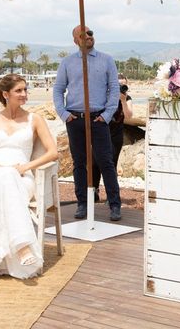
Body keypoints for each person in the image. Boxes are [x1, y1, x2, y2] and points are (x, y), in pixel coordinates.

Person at [0, 74, 58, 285]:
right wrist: (0, 169)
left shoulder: (35, 119)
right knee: (4, 178)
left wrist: (25, 167)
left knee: (5, 184)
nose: (24, 94)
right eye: (19, 91)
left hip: (22, 176)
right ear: (5, 94)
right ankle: (22, 246)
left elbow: (52, 152)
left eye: (25, 90)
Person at [53, 25, 122, 221]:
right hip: (75, 119)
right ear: (76, 40)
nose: (88, 36)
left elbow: (114, 89)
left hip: (98, 119)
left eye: (91, 33)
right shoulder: (67, 63)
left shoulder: (107, 60)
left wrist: (107, 114)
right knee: (79, 163)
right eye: (83, 35)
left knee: (105, 161)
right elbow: (58, 89)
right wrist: (64, 114)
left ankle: (115, 204)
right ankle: (82, 203)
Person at [92, 73, 133, 202]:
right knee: (95, 162)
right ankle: (94, 190)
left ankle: (112, 194)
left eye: (123, 85)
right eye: (118, 84)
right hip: (101, 132)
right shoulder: (105, 97)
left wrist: (123, 101)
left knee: (111, 163)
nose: (121, 87)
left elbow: (129, 116)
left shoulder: (127, 98)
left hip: (116, 135)